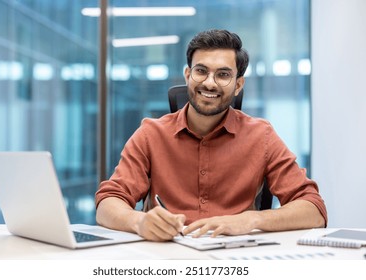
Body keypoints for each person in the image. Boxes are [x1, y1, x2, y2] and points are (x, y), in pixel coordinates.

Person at [95, 29, 327, 241]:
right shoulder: (150, 133)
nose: (209, 83)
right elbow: (107, 203)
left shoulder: (261, 135)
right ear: (188, 75)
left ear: (238, 85)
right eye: (201, 71)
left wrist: (253, 219)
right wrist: (140, 222)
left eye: (223, 75)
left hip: (234, 260)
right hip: (165, 256)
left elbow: (313, 209)